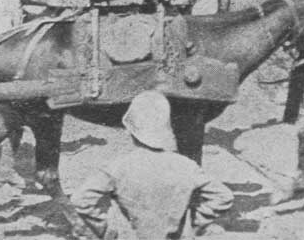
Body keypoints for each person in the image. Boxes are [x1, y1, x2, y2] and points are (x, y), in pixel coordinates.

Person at [71, 90, 233, 239]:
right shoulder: (187, 166)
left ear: (130, 129)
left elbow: (80, 200)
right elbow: (224, 197)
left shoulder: (118, 166)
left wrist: (107, 231)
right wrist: (196, 225)